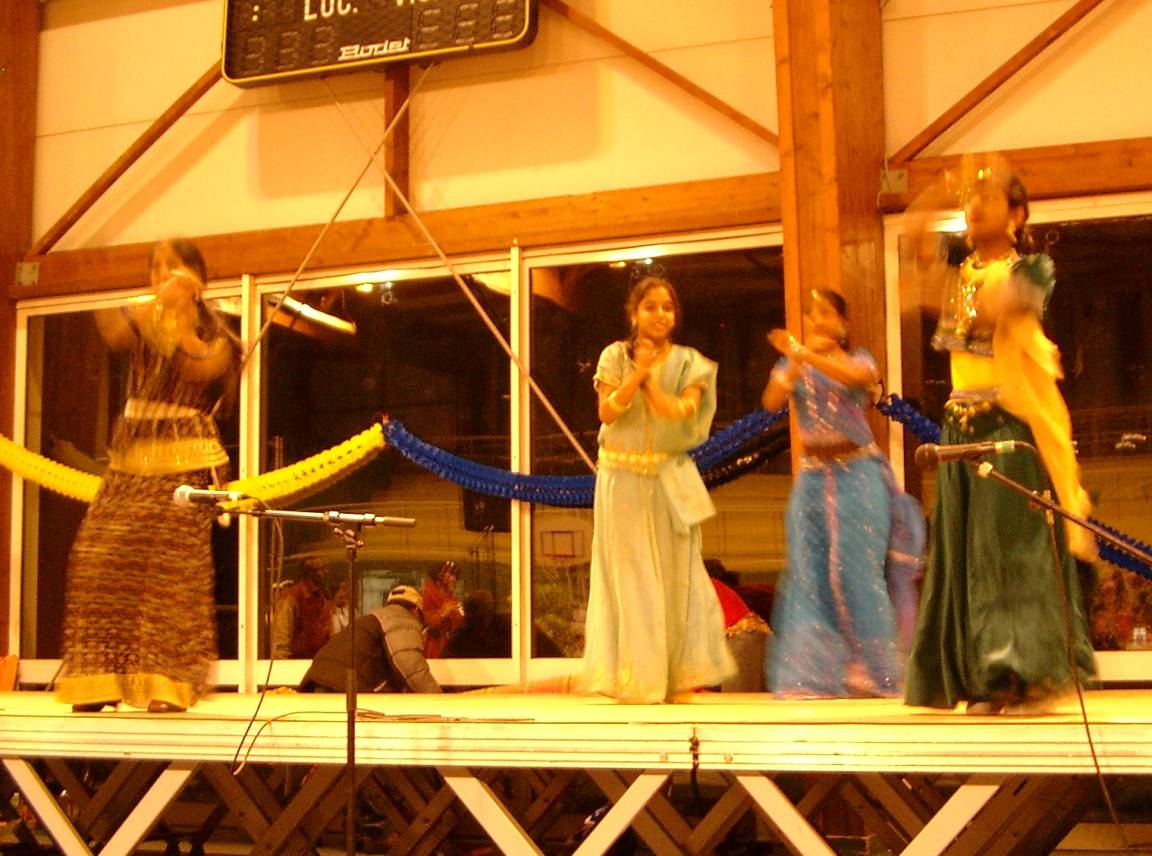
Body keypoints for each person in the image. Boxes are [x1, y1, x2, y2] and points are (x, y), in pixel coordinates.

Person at [903, 160, 1096, 714]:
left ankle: (1024, 676)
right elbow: (915, 247)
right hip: (960, 428)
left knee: (1012, 555)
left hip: (1010, 426)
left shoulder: (1032, 270)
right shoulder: (964, 273)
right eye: (970, 199)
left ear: (1017, 214)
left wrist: (939, 284)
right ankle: (983, 678)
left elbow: (994, 310)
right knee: (966, 557)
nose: (974, 206)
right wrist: (937, 190)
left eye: (988, 197)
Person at [57, 238, 239, 713]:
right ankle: (99, 680)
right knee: (97, 560)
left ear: (196, 278)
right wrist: (118, 291)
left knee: (167, 576)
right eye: (155, 267)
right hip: (129, 461)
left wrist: (179, 315)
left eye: (172, 266)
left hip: (183, 462)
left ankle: (169, 684)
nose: (161, 275)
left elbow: (202, 367)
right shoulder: (144, 317)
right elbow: (113, 331)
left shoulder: (215, 332)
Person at [582, 275, 735, 703]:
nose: (660, 314)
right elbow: (607, 412)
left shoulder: (690, 363)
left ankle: (672, 678)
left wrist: (650, 380)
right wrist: (638, 374)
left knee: (677, 577)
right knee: (632, 579)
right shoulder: (614, 356)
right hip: (622, 480)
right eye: (650, 306)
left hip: (670, 480)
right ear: (634, 313)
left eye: (667, 307)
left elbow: (681, 414)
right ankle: (636, 678)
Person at [761, 289, 920, 698]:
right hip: (813, 480)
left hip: (859, 475)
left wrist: (802, 353)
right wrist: (794, 361)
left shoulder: (859, 360)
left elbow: (856, 380)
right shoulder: (794, 364)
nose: (817, 320)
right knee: (810, 574)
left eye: (826, 313)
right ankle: (815, 674)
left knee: (858, 571)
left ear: (842, 324)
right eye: (811, 314)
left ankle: (879, 673)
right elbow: (772, 401)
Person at [299, 585, 441, 694]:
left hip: (317, 679)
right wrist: (437, 699)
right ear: (416, 611)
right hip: (343, 685)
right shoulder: (402, 620)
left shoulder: (373, 617)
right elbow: (411, 666)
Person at [271, 557, 334, 660]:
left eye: (326, 568)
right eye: (321, 569)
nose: (326, 572)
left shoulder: (323, 596)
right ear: (310, 573)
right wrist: (282, 666)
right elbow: (281, 640)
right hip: (299, 662)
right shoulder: (292, 598)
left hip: (318, 660)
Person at [421, 560, 463, 658]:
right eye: (451, 574)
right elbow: (425, 626)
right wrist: (442, 613)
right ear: (439, 576)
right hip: (433, 654)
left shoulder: (452, 600)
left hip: (453, 652)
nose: (454, 579)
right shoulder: (424, 598)